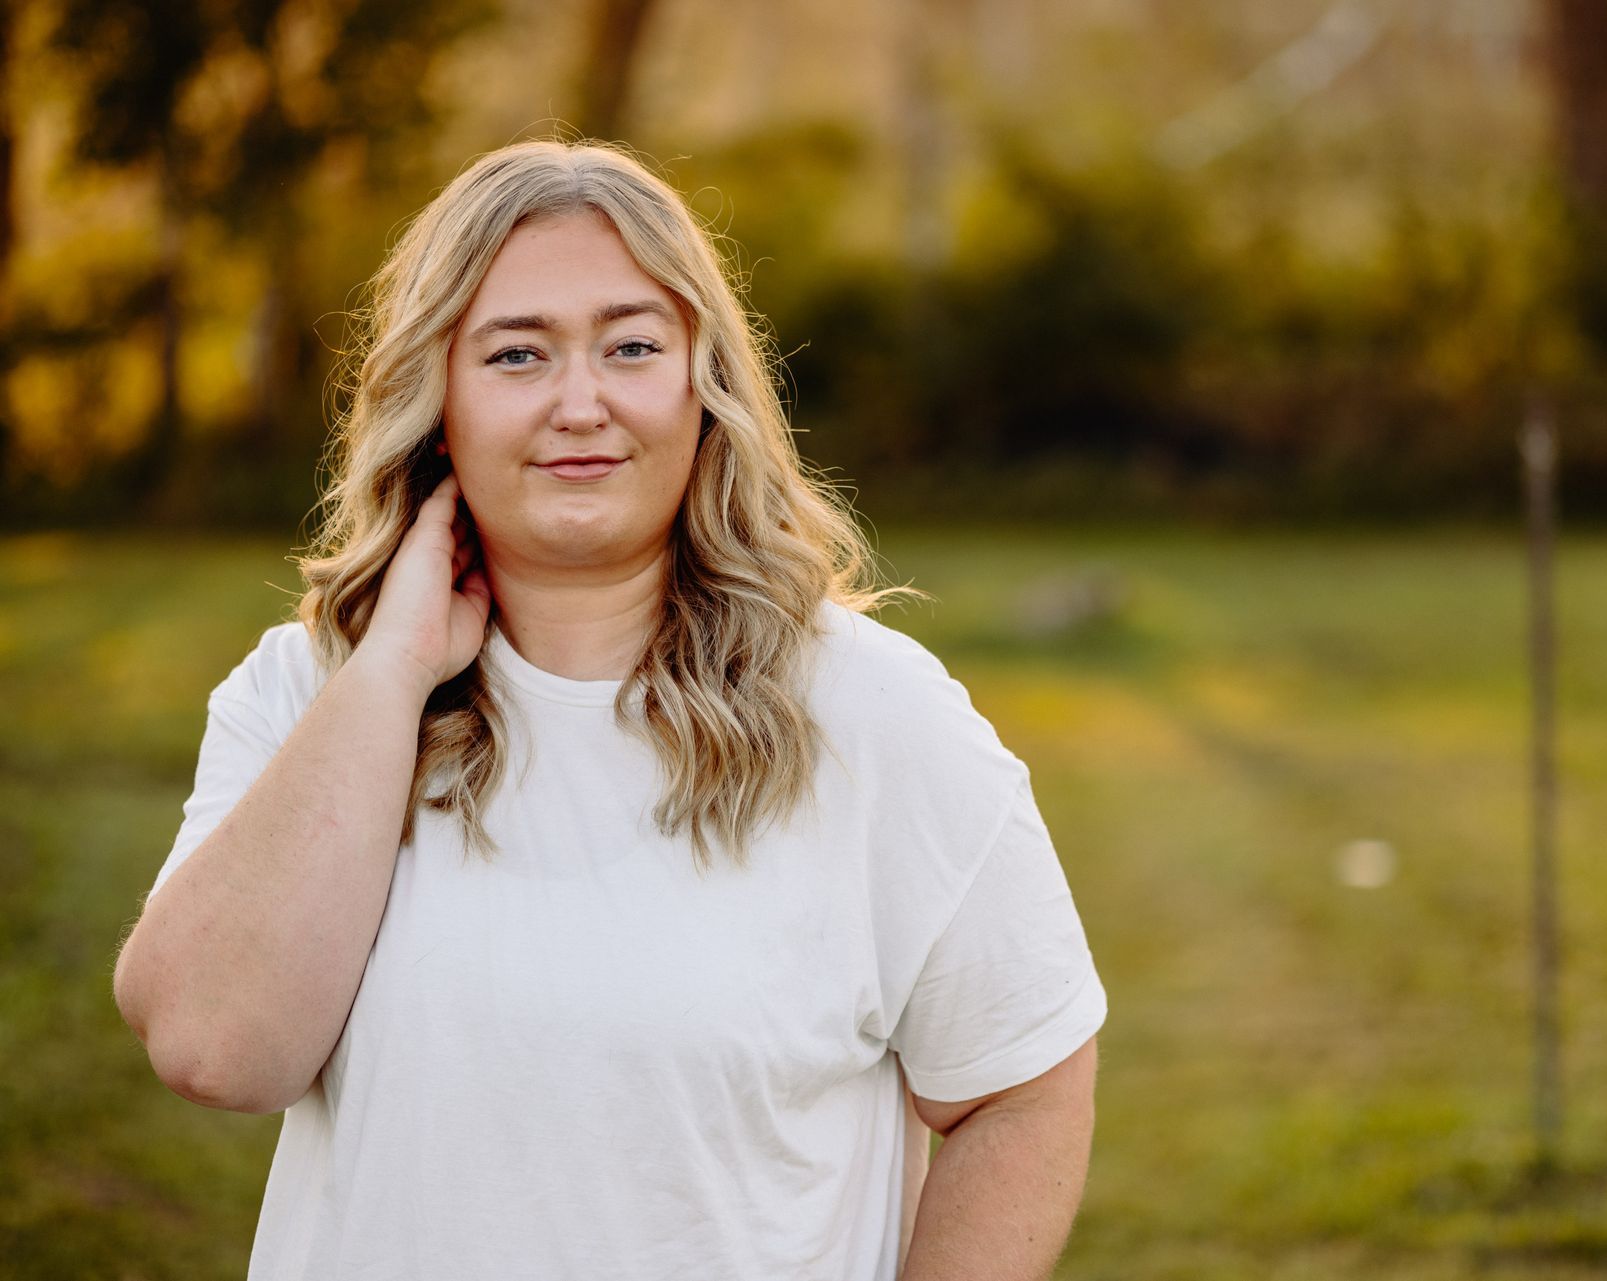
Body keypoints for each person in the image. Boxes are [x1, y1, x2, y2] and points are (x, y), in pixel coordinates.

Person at [112, 139, 1107, 1280]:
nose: (579, 404)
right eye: (517, 354)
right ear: (437, 399)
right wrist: (390, 672)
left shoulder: (872, 713)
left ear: (704, 384)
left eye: (632, 347)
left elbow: (1022, 1091)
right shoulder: (305, 693)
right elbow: (213, 1049)